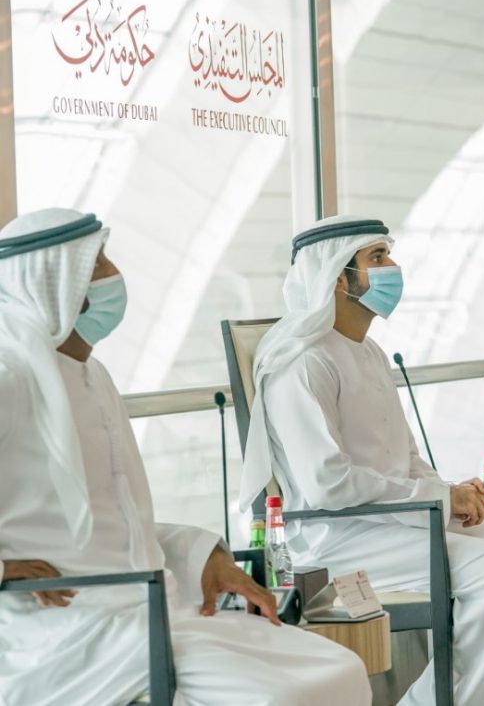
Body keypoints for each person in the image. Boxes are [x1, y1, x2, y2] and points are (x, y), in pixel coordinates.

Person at [0, 209, 370, 706]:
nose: (115, 276)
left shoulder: (94, 376)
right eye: (97, 264)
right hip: (67, 629)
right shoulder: (11, 377)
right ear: (54, 284)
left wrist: (206, 558)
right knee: (277, 696)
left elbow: (121, 525)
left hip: (151, 609)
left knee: (337, 667)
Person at [241, 214, 484, 706]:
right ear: (339, 277)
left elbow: (406, 458)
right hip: (339, 537)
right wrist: (438, 498)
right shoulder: (303, 361)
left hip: (401, 519)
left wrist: (454, 496)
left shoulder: (370, 353)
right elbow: (328, 486)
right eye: (377, 258)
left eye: (389, 254)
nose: (393, 267)